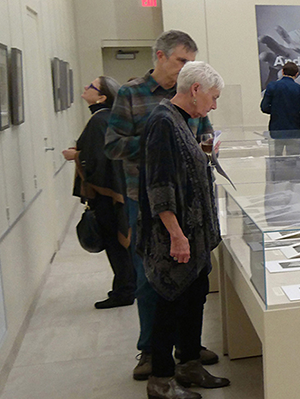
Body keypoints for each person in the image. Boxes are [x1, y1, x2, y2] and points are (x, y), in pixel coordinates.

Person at [104, 30, 218, 381]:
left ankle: (187, 351)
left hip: (189, 203)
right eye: (182, 60)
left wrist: (200, 148)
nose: (186, 67)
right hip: (152, 201)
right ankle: (152, 352)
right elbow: (113, 145)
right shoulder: (135, 95)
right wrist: (160, 145)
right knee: (152, 279)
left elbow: (205, 134)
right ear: (160, 56)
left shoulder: (188, 99)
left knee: (192, 281)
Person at [137, 61, 230, 399]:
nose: (214, 105)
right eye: (213, 97)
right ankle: (161, 380)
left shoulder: (179, 120)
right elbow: (159, 185)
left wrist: (205, 156)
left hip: (195, 236)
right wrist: (176, 234)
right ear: (195, 91)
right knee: (169, 305)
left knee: (193, 298)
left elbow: (183, 168)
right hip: (175, 239)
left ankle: (189, 363)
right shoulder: (162, 122)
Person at [62, 76, 131, 309]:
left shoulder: (100, 120)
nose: (84, 87)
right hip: (115, 193)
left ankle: (124, 291)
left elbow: (100, 159)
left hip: (106, 196)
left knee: (115, 243)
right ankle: (125, 287)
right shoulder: (107, 118)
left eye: (90, 86)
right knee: (118, 244)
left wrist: (76, 156)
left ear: (102, 97)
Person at [261, 61, 300, 155]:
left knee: (275, 158)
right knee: (293, 159)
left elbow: (264, 107)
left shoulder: (272, 86)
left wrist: (276, 110)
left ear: (282, 72)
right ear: (296, 74)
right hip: (295, 130)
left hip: (276, 129)